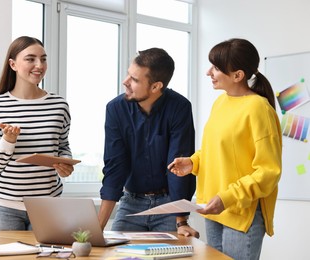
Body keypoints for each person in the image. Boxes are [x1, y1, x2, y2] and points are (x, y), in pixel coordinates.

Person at [168, 38, 282, 260]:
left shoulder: (259, 109)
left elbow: (269, 172)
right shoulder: (221, 103)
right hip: (214, 210)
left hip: (240, 212)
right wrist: (194, 162)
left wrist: (228, 197)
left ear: (238, 75)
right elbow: (216, 149)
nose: (208, 72)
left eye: (216, 68)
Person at [98, 47, 198, 237]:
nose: (125, 82)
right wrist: (97, 228)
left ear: (155, 86)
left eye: (134, 80)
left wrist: (181, 220)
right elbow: (115, 167)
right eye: (129, 75)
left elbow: (178, 167)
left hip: (169, 204)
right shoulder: (115, 109)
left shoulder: (180, 108)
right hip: (131, 203)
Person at [0, 36, 74, 232]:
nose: (39, 65)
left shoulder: (59, 106)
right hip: (4, 208)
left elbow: (63, 146)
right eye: (30, 59)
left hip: (47, 206)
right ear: (13, 64)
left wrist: (65, 162)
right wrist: (7, 141)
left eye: (43, 59)